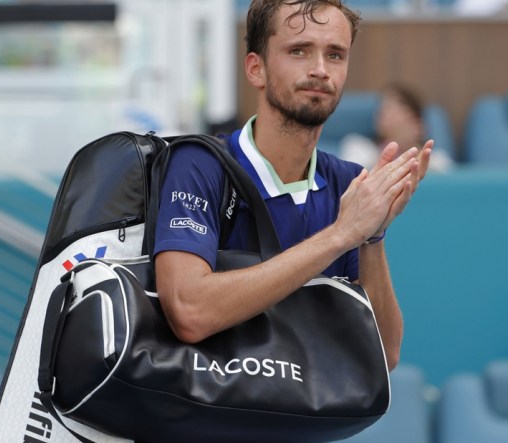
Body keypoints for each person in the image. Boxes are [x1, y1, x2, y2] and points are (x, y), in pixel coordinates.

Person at [153, 0, 433, 371]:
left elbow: (383, 354)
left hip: (301, 426)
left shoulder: (348, 182)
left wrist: (371, 235)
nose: (320, 70)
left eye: (335, 55)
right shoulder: (199, 164)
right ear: (257, 69)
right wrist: (340, 235)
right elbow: (189, 311)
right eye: (299, 51)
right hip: (207, 423)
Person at [339, 83, 453, 173]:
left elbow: (448, 184)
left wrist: (413, 149)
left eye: (392, 108)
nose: (382, 113)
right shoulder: (359, 147)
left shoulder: (437, 159)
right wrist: (395, 148)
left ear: (417, 124)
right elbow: (350, 179)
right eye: (382, 107)